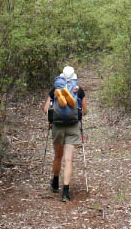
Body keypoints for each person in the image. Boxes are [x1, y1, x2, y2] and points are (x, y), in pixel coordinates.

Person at [43, 65, 88, 202]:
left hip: (57, 126)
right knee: (69, 159)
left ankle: (55, 182)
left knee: (58, 156)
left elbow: (46, 109)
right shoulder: (78, 90)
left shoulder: (55, 89)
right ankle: (66, 192)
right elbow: (85, 111)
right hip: (73, 126)